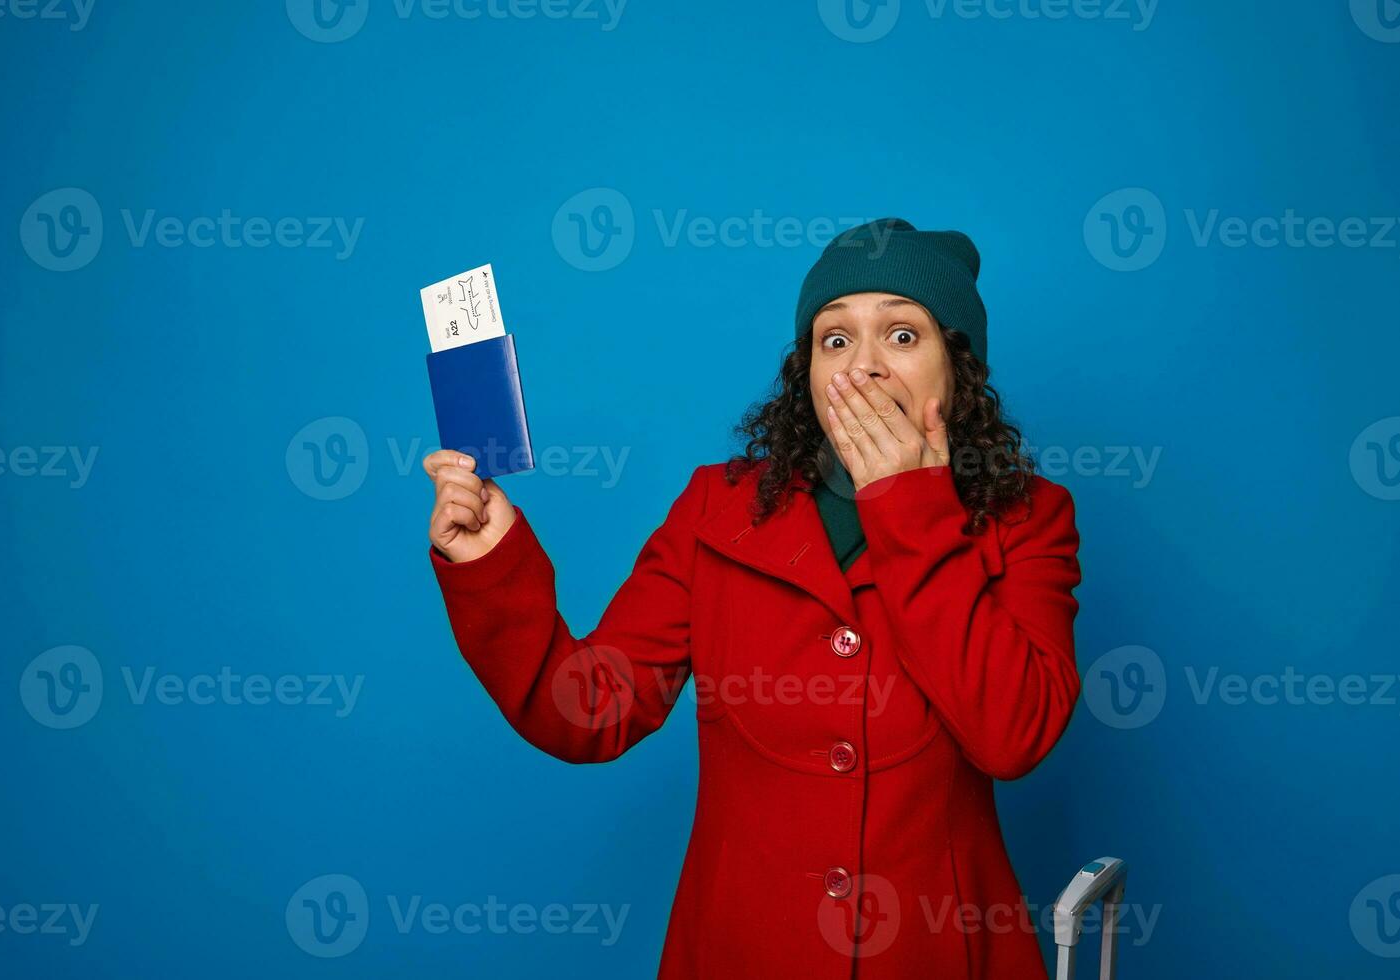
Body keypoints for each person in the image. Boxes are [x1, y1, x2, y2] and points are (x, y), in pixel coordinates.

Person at [424, 218, 1082, 978]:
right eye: (834, 339)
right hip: (742, 950)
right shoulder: (717, 508)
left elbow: (1013, 735)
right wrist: (491, 568)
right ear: (805, 367)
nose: (862, 366)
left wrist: (910, 506)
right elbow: (589, 711)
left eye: (902, 336)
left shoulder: (1028, 520)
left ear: (957, 366)